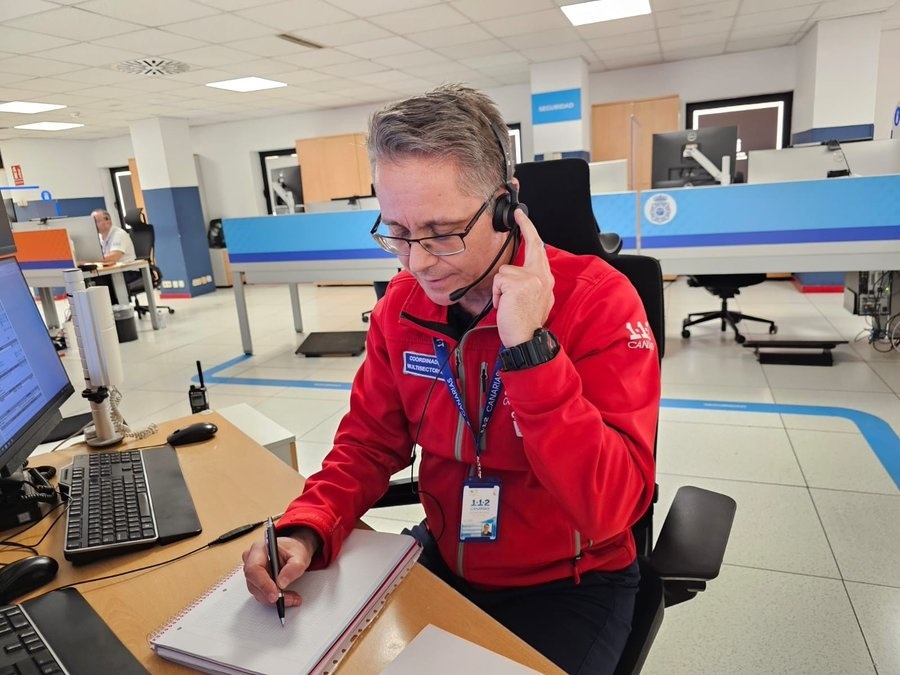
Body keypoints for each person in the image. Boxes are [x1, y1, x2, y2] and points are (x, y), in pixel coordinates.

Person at [242, 84, 660, 674]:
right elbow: (366, 443)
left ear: (505, 205)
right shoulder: (401, 309)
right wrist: (308, 527)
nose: (415, 262)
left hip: (570, 584)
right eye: (397, 232)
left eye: (441, 232)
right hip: (448, 555)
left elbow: (610, 508)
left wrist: (531, 353)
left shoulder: (600, 301)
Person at [90, 208, 139, 305]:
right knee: (90, 280)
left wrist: (90, 261)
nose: (93, 225)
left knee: (100, 281)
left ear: (107, 220)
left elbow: (114, 257)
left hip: (128, 271)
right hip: (112, 271)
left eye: (96, 221)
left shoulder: (118, 234)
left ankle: (115, 309)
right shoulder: (100, 237)